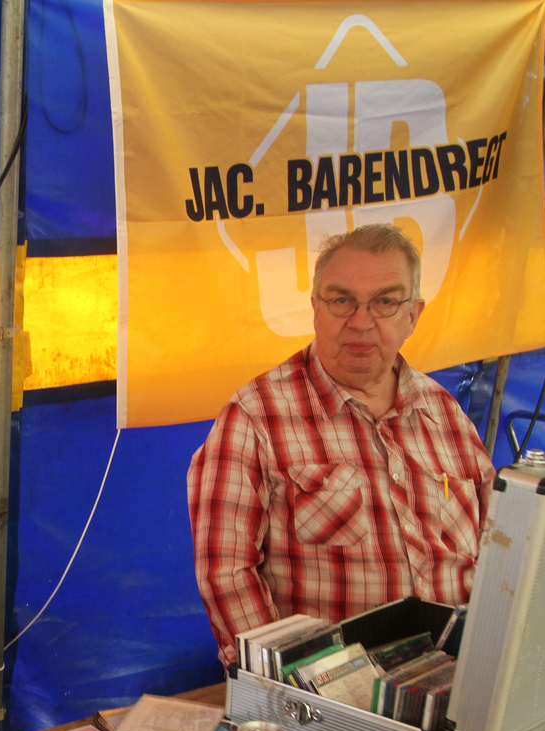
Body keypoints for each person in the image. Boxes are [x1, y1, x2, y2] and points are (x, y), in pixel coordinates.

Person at [187, 223, 495, 664]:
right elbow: (226, 575)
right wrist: (288, 681)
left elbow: (498, 547)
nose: (361, 322)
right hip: (329, 687)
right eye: (341, 300)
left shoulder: (447, 417)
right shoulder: (256, 416)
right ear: (316, 308)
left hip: (461, 672)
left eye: (385, 302)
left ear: (413, 315)